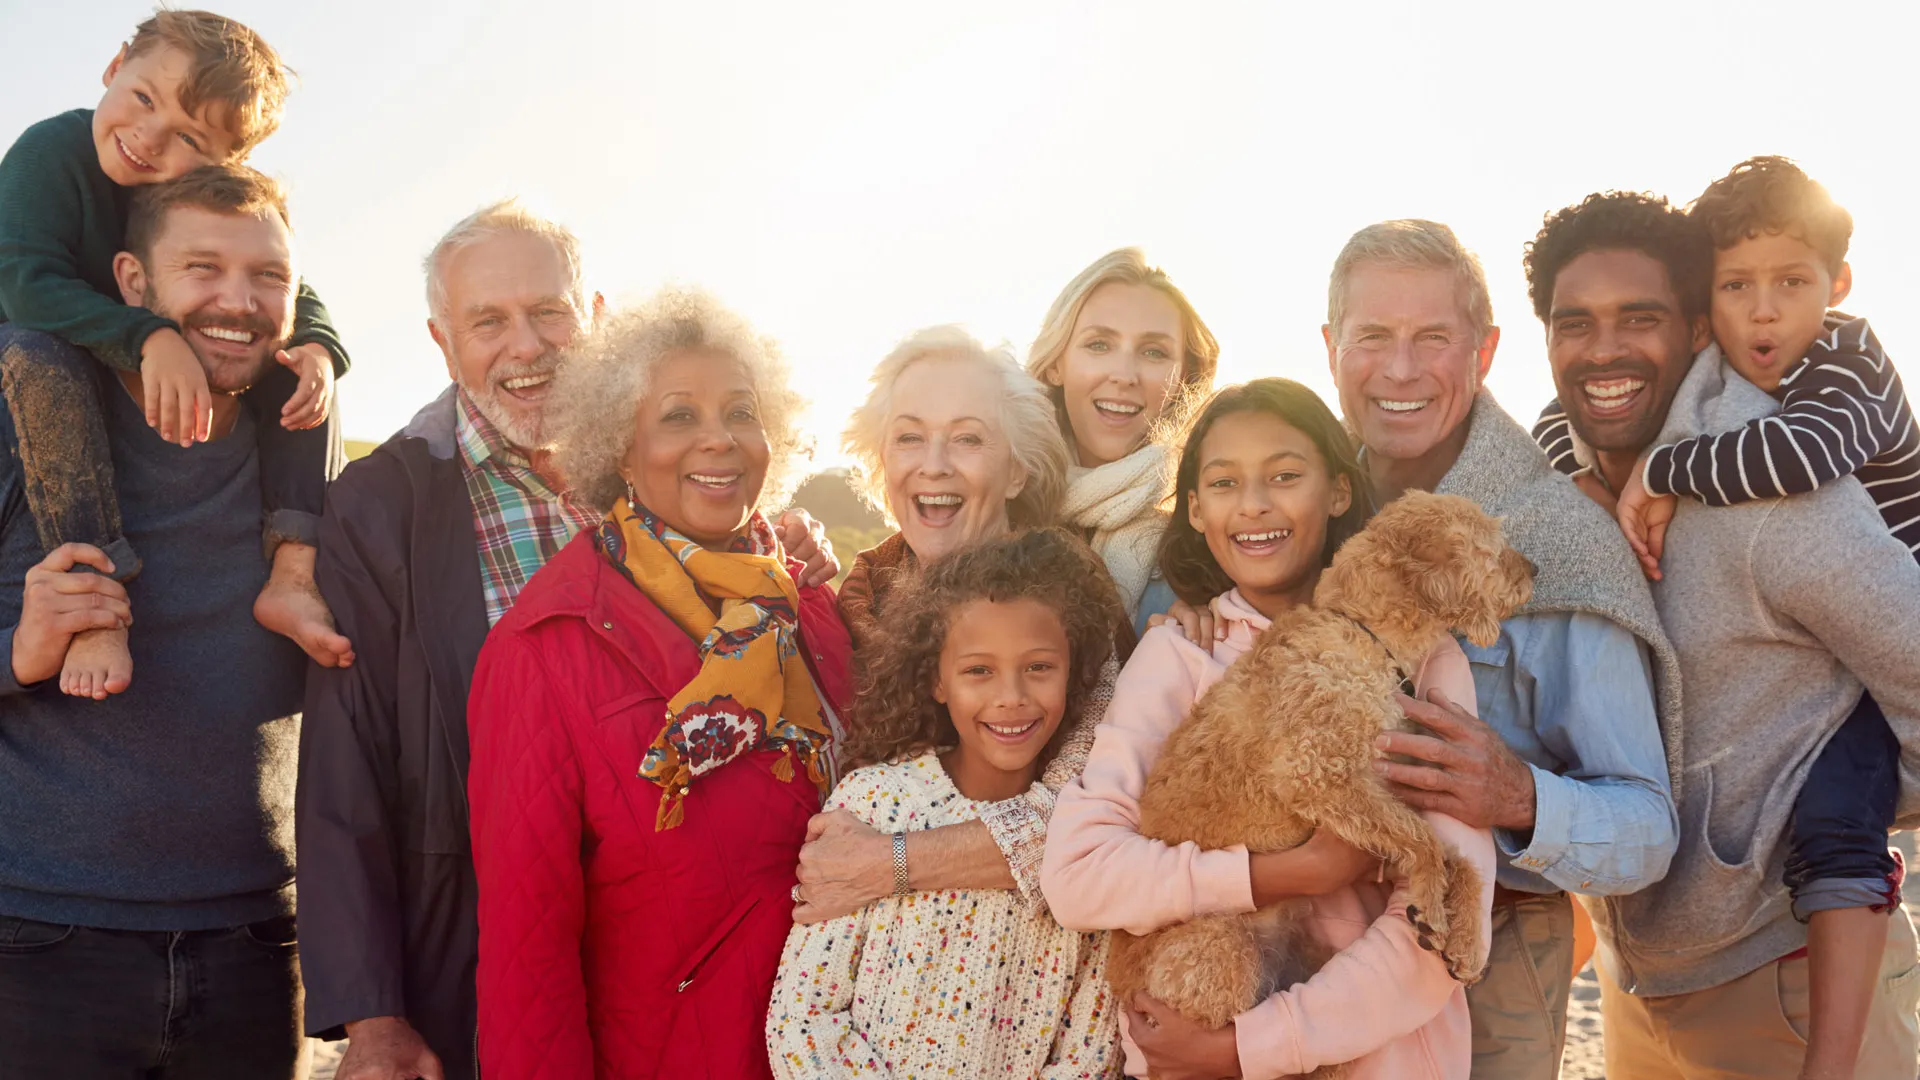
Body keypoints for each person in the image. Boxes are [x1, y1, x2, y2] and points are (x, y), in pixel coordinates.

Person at [297, 202, 837, 1080]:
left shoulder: (667, 467)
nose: (526, 345)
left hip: (694, 961)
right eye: (489, 322)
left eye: (548, 312)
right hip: (478, 940)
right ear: (443, 343)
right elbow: (346, 758)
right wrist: (371, 1012)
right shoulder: (387, 501)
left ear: (594, 319)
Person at [1522, 189, 1920, 1080]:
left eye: (1641, 318)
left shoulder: (1780, 495)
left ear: (1699, 330)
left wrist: (1818, 804)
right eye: (1573, 323)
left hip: (1790, 985)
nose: (1604, 348)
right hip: (1642, 991)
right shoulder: (1565, 486)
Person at [1042, 378, 1496, 1079]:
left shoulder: (1420, 660)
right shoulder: (1181, 655)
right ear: (1195, 509)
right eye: (1223, 483)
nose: (1254, 504)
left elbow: (1445, 925)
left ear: (1338, 492)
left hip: (1381, 1059)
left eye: (1285, 475)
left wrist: (1247, 1049)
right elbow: (1079, 876)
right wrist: (1280, 874)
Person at [465, 286, 854, 1079]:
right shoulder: (547, 645)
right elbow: (525, 948)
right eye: (679, 416)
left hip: (845, 1051)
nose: (721, 442)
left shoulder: (810, 607)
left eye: (741, 412)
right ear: (622, 446)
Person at [1322, 219, 1680, 1079]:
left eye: (1432, 339)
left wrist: (1517, 794)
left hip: (1488, 956)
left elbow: (1648, 828)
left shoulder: (1557, 537)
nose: (1399, 370)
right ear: (1331, 346)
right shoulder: (1304, 507)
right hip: (1308, 932)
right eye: (1373, 336)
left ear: (1483, 353)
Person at [0, 164, 311, 1078]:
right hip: (38, 942)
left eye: (269, 278)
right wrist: (19, 651)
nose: (238, 301)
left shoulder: (300, 447)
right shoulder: (26, 417)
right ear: (133, 283)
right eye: (203, 268)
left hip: (258, 944)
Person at [0, 8, 352, 700]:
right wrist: (148, 336)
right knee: (41, 355)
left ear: (227, 161)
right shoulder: (53, 151)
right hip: (35, 365)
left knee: (294, 359)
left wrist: (319, 344)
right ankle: (96, 592)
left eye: (188, 136)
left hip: (129, 359)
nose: (146, 136)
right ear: (114, 66)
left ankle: (292, 569)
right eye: (140, 98)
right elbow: (20, 278)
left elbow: (286, 281)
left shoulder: (191, 200)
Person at [768, 527, 1125, 1078]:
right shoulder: (874, 804)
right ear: (936, 679)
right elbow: (801, 1018)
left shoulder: (1091, 837)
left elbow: (1091, 1046)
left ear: (1075, 673)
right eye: (979, 670)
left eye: (1038, 667)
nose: (1011, 696)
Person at [1027, 247, 1219, 635]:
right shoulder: (1000, 505)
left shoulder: (1209, 536)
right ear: (1055, 363)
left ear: (1185, 378)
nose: (1124, 374)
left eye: (1154, 352)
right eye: (1099, 345)